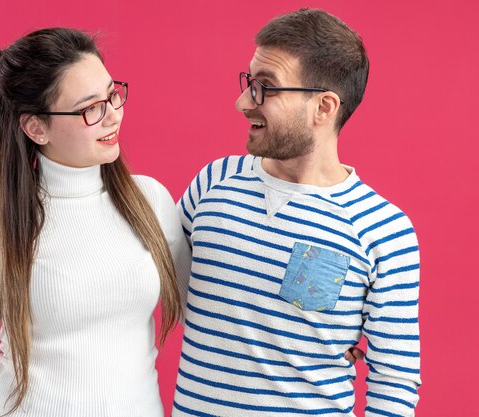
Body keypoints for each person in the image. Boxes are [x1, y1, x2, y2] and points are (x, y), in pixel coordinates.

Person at [172, 8, 420, 417]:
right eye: (249, 81)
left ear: (324, 108)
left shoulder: (382, 230)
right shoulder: (212, 183)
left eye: (265, 88)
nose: (242, 102)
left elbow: (395, 378)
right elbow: (155, 284)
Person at [0, 28, 191, 417]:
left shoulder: (150, 201)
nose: (113, 115)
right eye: (91, 107)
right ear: (37, 128)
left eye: (112, 94)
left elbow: (212, 306)